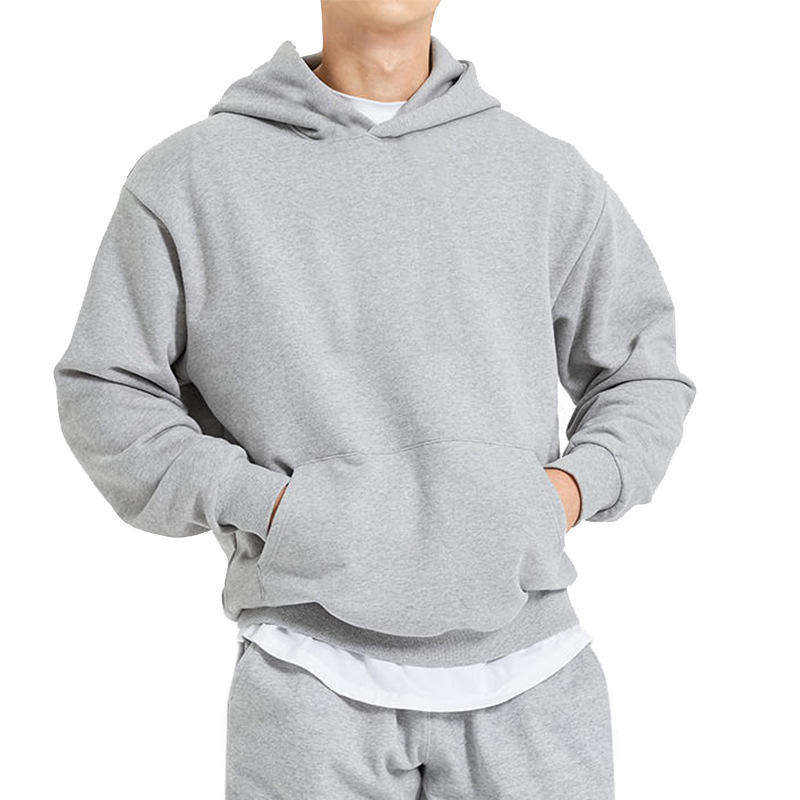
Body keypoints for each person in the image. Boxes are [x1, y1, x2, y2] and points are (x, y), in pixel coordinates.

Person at [55, 1, 694, 797]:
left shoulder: (544, 174)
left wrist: (562, 495)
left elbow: (642, 373)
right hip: (307, 677)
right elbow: (107, 391)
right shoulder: (190, 179)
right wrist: (268, 506)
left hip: (534, 674)